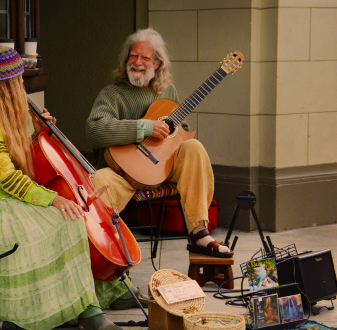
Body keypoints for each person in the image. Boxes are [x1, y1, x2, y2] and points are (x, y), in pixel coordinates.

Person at [0, 46, 143, 330]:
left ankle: (106, 292)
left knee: (71, 215)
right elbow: (8, 178)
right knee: (67, 219)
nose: (23, 87)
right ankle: (87, 310)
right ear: (7, 84)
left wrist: (40, 132)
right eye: (18, 80)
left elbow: (16, 156)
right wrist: (54, 199)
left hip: (11, 199)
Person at [86, 28, 232, 258]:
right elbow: (95, 130)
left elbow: (177, 133)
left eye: (145, 57)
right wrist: (144, 128)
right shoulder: (112, 94)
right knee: (95, 184)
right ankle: (101, 251)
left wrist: (175, 132)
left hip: (161, 169)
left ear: (158, 63)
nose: (138, 63)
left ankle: (198, 231)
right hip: (125, 176)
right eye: (133, 56)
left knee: (194, 147)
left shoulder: (167, 92)